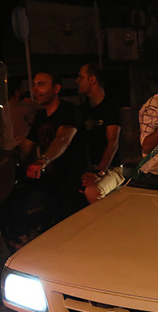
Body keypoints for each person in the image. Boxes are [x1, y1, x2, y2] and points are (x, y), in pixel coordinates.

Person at [20, 69, 89, 219]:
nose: (35, 90)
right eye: (34, 85)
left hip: (72, 180)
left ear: (56, 88)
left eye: (41, 84)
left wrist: (42, 161)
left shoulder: (70, 110)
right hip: (51, 180)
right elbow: (27, 145)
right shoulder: (41, 116)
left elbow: (63, 139)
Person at [74, 62, 123, 203]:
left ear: (92, 80)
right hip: (90, 168)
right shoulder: (82, 110)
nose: (77, 81)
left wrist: (100, 171)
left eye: (81, 77)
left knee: (93, 191)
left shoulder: (110, 106)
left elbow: (112, 142)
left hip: (112, 168)